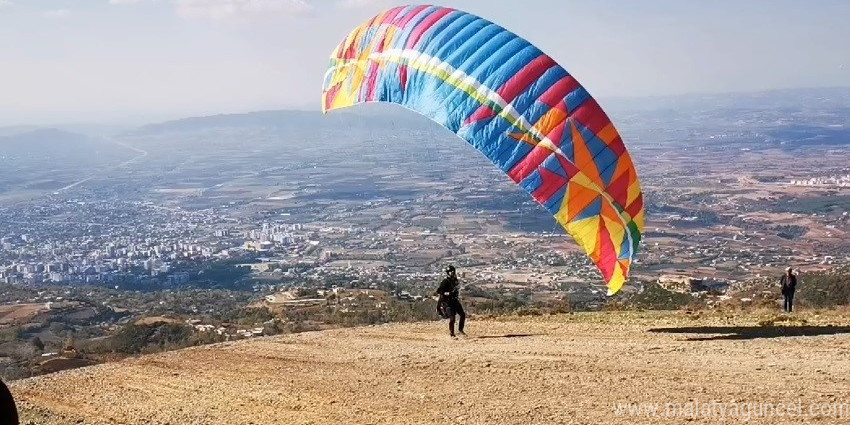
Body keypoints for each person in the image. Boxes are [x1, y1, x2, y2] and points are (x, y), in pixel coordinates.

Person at [435, 265, 466, 337]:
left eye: (453, 271)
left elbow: (457, 288)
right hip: (447, 302)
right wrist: (448, 293)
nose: (452, 272)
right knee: (452, 318)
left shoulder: (455, 280)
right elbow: (439, 291)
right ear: (448, 273)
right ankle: (452, 334)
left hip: (455, 301)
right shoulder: (445, 281)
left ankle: (460, 330)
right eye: (450, 271)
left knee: (462, 315)